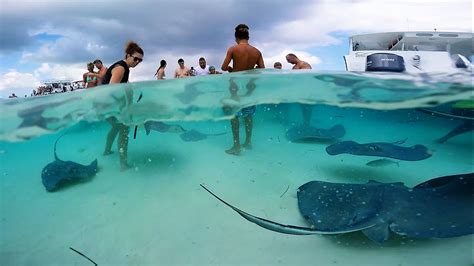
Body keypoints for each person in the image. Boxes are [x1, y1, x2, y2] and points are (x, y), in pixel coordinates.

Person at [221, 23, 265, 155]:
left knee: (234, 116)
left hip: (235, 88)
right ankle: (248, 142)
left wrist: (231, 69)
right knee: (248, 116)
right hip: (250, 88)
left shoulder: (233, 49)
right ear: (248, 37)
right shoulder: (256, 51)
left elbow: (223, 67)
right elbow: (262, 69)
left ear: (236, 37)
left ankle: (237, 146)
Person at [102, 41, 144, 171]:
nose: (137, 62)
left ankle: (107, 151)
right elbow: (111, 91)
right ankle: (123, 164)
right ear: (127, 55)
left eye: (140, 61)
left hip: (104, 106)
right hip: (108, 106)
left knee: (116, 127)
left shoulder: (124, 68)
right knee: (124, 130)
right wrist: (124, 109)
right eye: (135, 58)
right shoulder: (121, 68)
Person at [286, 53, 313, 125]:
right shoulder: (295, 67)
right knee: (303, 107)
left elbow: (307, 78)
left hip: (306, 90)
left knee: (307, 107)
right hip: (299, 90)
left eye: (288, 60)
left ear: (293, 57)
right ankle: (305, 123)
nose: (288, 62)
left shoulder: (304, 64)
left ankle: (307, 123)